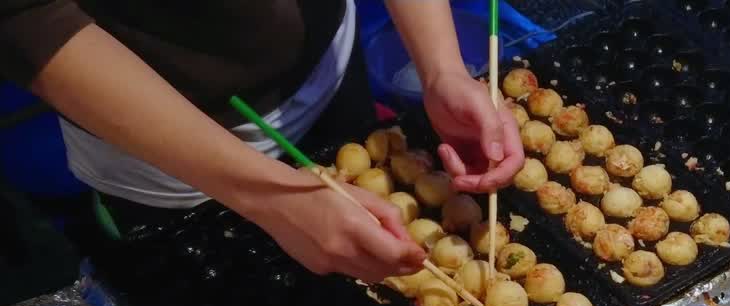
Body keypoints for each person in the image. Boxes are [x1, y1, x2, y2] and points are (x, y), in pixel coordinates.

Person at [0, 0, 525, 283]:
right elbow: (26, 19)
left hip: (330, 71)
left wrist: (442, 69)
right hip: (170, 155)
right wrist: (270, 198)